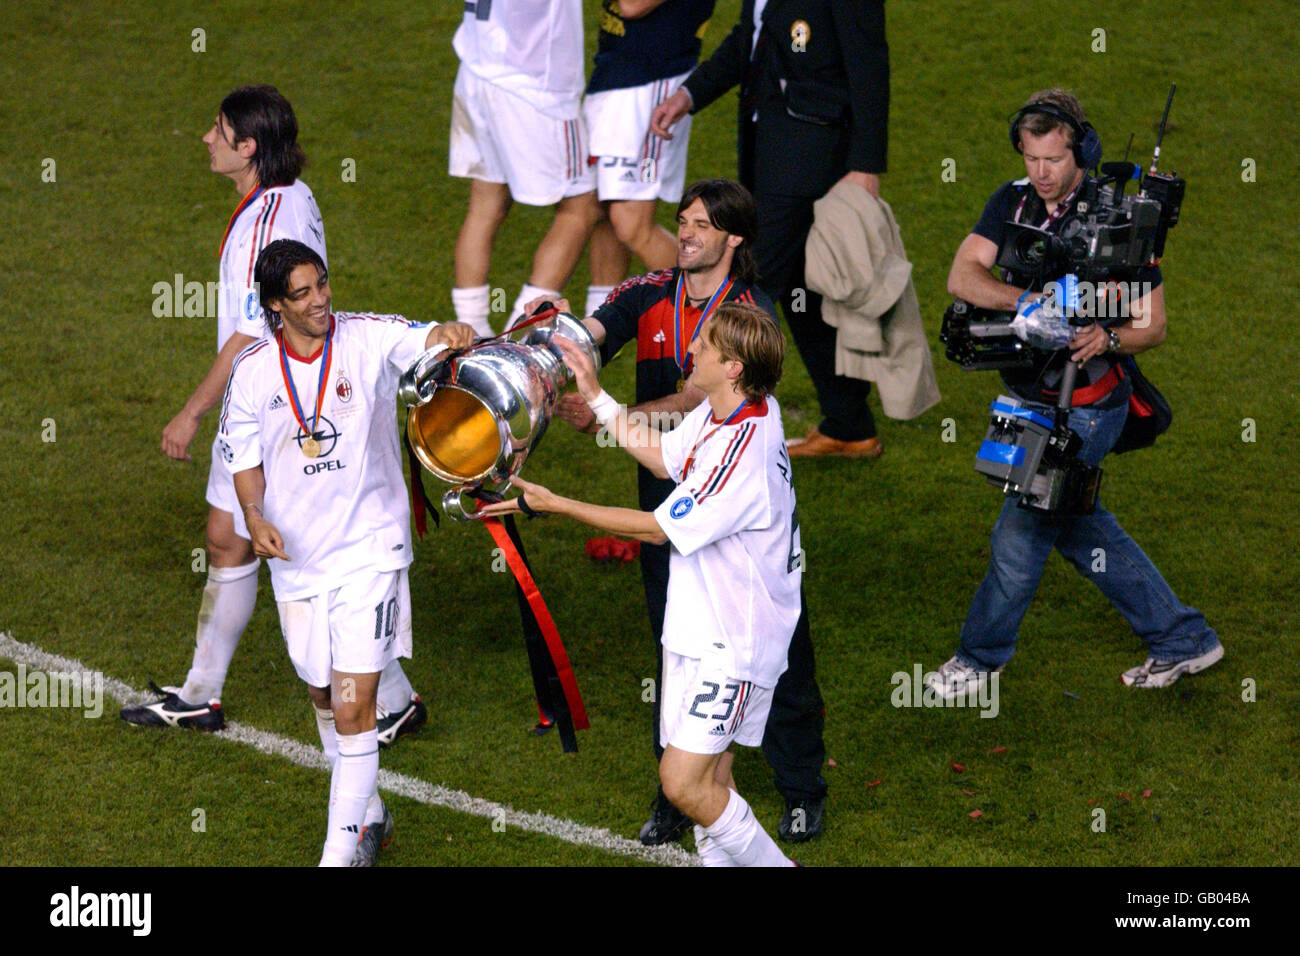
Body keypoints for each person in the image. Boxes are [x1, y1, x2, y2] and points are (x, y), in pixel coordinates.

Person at [121, 86, 428, 746]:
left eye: (218, 129)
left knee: (263, 543)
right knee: (234, 538)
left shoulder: (266, 226)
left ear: (248, 147)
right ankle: (390, 698)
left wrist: (192, 411)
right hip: (291, 399)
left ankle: (207, 696)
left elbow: (249, 336)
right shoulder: (288, 199)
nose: (206, 138)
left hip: (276, 407)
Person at [541, 178, 829, 845]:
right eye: (684, 220)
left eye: (702, 223)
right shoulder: (651, 294)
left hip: (734, 573)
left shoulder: (746, 322)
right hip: (688, 520)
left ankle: (797, 788)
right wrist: (561, 358)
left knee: (782, 664)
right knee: (673, 639)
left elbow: (688, 415)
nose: (687, 232)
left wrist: (560, 498)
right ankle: (683, 790)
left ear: (734, 237)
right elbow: (667, 445)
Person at [927, 89, 1223, 700]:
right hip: (1031, 396)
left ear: (1081, 152)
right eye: (1031, 158)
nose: (1041, 173)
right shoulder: (1012, 202)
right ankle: (1183, 637)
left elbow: (1154, 324)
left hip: (1088, 405)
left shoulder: (1120, 218)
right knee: (1077, 526)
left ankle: (978, 661)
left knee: (1020, 532)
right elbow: (962, 275)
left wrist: (1107, 335)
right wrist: (1027, 303)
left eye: (1053, 160)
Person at [483, 302, 800, 867]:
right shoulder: (733, 410)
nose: (692, 347)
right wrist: (596, 394)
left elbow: (657, 530)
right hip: (699, 625)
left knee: (682, 783)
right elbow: (662, 459)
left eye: (705, 342)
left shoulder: (741, 452)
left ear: (733, 367)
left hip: (736, 639)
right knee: (712, 781)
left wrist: (556, 503)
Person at [219, 240, 474, 865]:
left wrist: (450, 331)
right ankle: (373, 816)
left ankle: (338, 855)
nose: (320, 300)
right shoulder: (252, 372)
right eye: (302, 293)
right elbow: (243, 462)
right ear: (275, 304)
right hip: (299, 559)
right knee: (323, 698)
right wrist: (254, 517)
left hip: (371, 549)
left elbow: (425, 338)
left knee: (355, 703)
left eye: (323, 284)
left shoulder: (366, 339)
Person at [650, 0, 889, 458]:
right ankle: (849, 425)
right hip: (770, 147)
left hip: (813, 155)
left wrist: (866, 165)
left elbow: (869, 61)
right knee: (804, 291)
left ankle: (708, 423)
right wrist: (689, 96)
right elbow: (751, 36)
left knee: (743, 288)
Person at [449, 0, 602, 336]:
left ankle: (470, 330)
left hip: (476, 68)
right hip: (534, 89)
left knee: (486, 205)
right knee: (582, 208)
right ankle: (517, 336)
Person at [581, 0, 716, 318]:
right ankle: (599, 328)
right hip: (618, 75)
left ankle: (721, 312)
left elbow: (631, 4)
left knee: (631, 222)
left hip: (651, 84)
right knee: (606, 209)